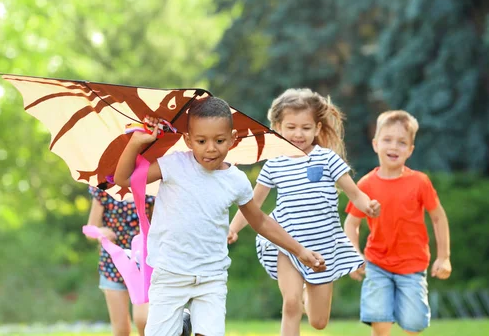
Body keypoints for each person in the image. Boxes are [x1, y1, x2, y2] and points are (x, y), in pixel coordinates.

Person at [114, 96, 327, 336]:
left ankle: (188, 325)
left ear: (233, 139)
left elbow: (260, 221)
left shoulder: (236, 180)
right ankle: (184, 325)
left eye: (219, 140)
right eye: (201, 141)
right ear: (188, 140)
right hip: (170, 274)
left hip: (211, 277)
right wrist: (136, 142)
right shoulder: (173, 165)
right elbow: (124, 180)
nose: (211, 148)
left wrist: (300, 250)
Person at [228, 88, 381, 335]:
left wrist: (368, 206)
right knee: (290, 304)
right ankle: (295, 296)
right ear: (277, 127)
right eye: (291, 127)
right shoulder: (274, 163)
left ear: (317, 129)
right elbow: (252, 205)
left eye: (306, 128)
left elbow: (355, 194)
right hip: (287, 244)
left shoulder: (328, 159)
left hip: (323, 246)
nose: (298, 134)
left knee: (319, 322)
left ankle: (307, 295)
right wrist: (233, 229)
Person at [343, 110, 452, 336]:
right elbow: (351, 224)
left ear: (410, 150)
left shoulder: (420, 182)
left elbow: (438, 217)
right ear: (375, 144)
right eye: (387, 140)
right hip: (377, 263)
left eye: (402, 142)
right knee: (379, 321)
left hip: (413, 265)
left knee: (413, 324)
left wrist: (444, 257)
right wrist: (353, 255)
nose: (394, 147)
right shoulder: (366, 185)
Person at [85, 183, 191, 336]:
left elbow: (160, 226)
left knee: (144, 321)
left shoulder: (149, 189)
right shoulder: (103, 190)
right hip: (113, 266)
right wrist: (101, 232)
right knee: (121, 330)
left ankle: (180, 323)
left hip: (144, 266)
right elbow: (90, 228)